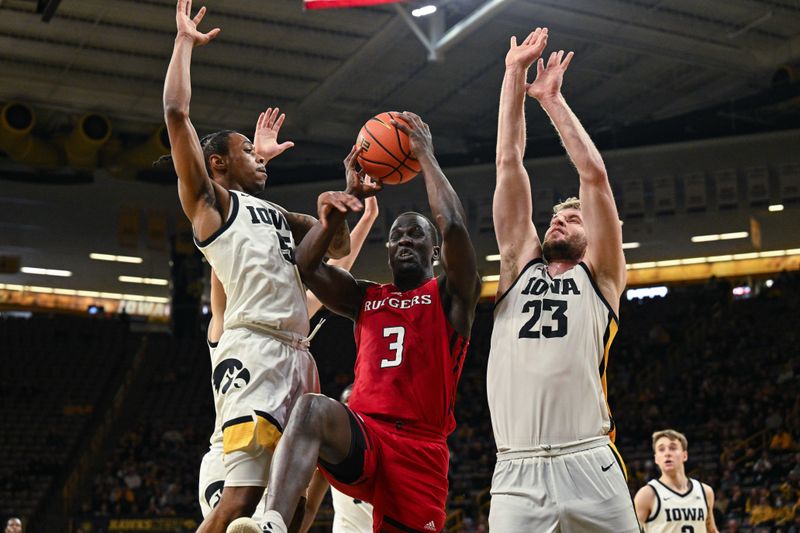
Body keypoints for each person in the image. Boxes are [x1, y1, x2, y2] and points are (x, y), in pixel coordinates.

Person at [229, 111, 481, 533]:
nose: (404, 239)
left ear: (435, 253)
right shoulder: (368, 297)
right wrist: (336, 213)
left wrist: (425, 154)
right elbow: (307, 267)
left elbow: (453, 225)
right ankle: (271, 521)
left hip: (419, 450)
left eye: (416, 234)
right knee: (312, 408)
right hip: (364, 435)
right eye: (397, 235)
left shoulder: (451, 296)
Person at [163, 2, 352, 531]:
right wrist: (183, 44)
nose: (260, 156)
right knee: (241, 498)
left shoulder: (276, 214)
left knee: (287, 508)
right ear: (218, 163)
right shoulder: (211, 205)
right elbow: (177, 115)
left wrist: (344, 203)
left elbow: (333, 250)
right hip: (252, 351)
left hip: (298, 354)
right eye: (249, 150)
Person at [487, 27, 639, 531]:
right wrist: (514, 76)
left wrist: (551, 100)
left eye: (572, 220)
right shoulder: (518, 265)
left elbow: (593, 175)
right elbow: (509, 162)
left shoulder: (602, 277)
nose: (558, 221)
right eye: (556, 217)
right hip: (516, 467)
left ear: (593, 237)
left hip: (590, 460)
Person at [300, 385, 373, 533]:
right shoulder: (331, 449)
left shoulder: (387, 443)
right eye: (345, 403)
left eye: (353, 401)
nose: (349, 407)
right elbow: (309, 507)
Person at [634, 429, 719, 532]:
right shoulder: (647, 494)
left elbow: (712, 530)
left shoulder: (705, 492)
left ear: (685, 455)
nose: (667, 453)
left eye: (673, 448)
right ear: (656, 459)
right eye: (661, 449)